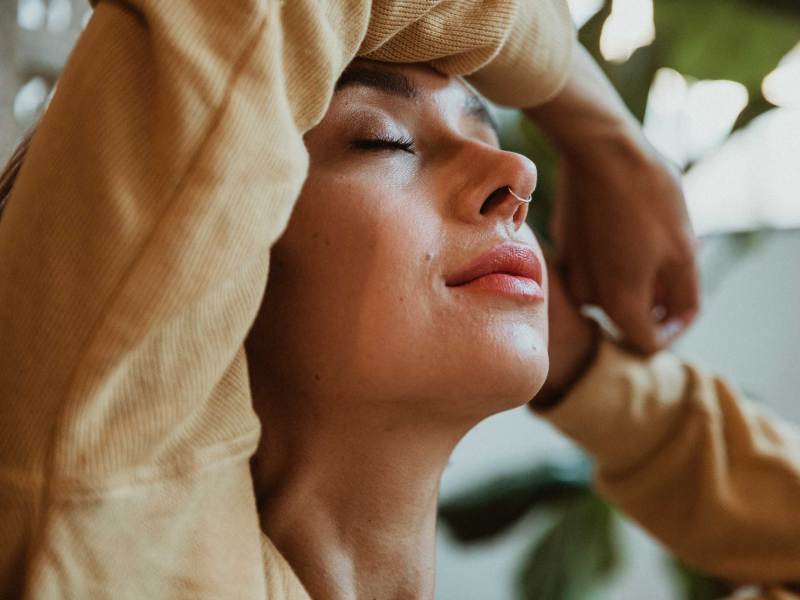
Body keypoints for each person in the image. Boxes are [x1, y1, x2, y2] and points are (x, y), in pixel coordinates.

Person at [0, 0, 744, 598]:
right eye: (385, 141)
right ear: (205, 249)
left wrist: (585, 366)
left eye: (489, 134)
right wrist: (600, 130)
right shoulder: (116, 521)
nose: (518, 172)